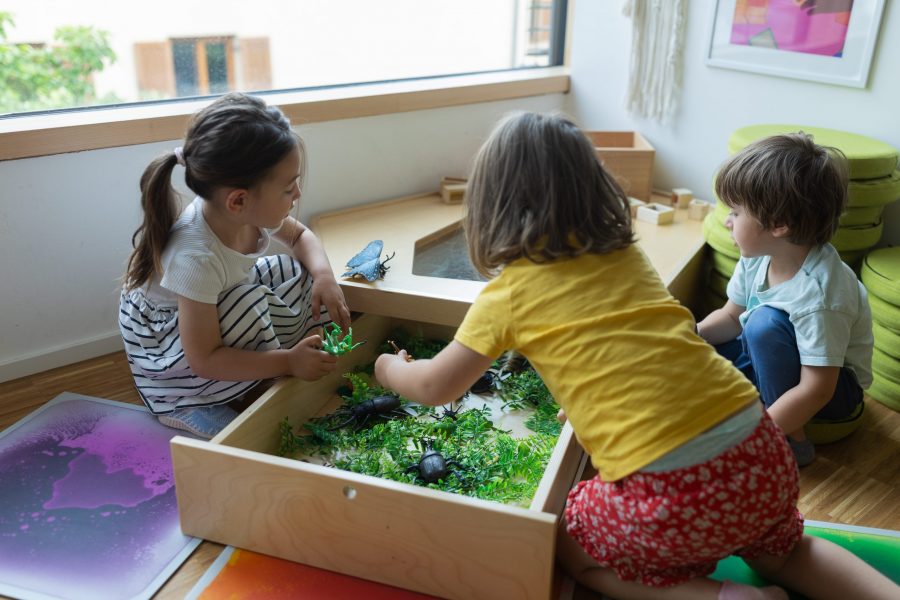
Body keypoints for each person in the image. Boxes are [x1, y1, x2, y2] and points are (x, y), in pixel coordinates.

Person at [374, 113, 897, 600]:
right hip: (758, 449)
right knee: (786, 551)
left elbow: (435, 387)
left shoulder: (507, 295)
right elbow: (629, 352)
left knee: (571, 548)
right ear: (595, 187)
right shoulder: (627, 254)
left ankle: (727, 597)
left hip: (677, 491)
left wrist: (391, 369)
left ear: (490, 208)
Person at [120, 93, 350, 439]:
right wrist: (287, 362)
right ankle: (188, 402)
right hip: (167, 346)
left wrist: (325, 278)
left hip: (220, 297)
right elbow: (204, 359)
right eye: (289, 188)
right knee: (247, 304)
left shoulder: (244, 211)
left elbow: (302, 236)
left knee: (295, 271)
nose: (298, 193)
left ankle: (280, 355)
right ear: (239, 200)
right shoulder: (194, 258)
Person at [696, 133, 872, 467]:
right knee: (703, 351)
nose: (727, 221)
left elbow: (817, 389)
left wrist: (757, 439)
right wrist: (691, 336)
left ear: (778, 224)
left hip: (832, 393)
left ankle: (792, 441)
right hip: (778, 360)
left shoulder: (820, 294)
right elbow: (732, 318)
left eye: (736, 212)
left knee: (764, 325)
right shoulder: (758, 255)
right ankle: (755, 409)